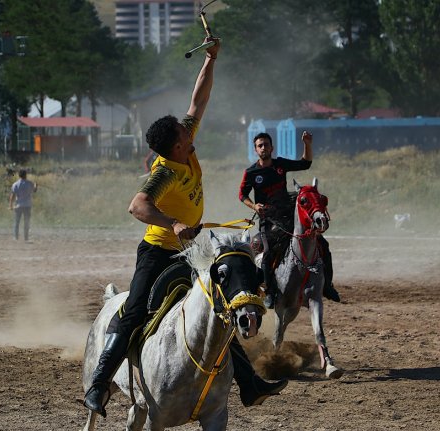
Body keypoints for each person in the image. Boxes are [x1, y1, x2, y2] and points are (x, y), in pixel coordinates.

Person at [83, 37, 287, 418]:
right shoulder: (164, 172)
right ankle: (98, 385)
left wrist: (211, 59)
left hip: (191, 251)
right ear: (174, 148)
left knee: (217, 308)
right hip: (157, 252)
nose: (188, 133)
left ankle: (249, 385)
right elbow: (137, 206)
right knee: (133, 315)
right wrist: (173, 222)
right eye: (183, 135)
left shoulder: (183, 145)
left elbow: (199, 101)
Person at [239, 131, 341, 309]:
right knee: (268, 253)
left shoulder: (280, 164)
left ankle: (328, 286)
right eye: (260, 145)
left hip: (288, 215)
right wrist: (254, 206)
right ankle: (270, 292)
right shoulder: (251, 173)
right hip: (268, 220)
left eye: (266, 145)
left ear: (272, 147)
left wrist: (307, 144)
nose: (263, 148)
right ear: (256, 150)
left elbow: (306, 163)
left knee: (323, 244)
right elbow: (242, 195)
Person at [9, 169, 37, 241]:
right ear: (25, 175)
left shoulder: (15, 184)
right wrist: (36, 185)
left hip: (18, 205)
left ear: (19, 175)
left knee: (17, 222)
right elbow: (34, 190)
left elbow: (12, 196)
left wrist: (10, 205)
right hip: (27, 205)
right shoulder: (30, 183)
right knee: (26, 223)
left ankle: (16, 237)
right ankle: (26, 238)